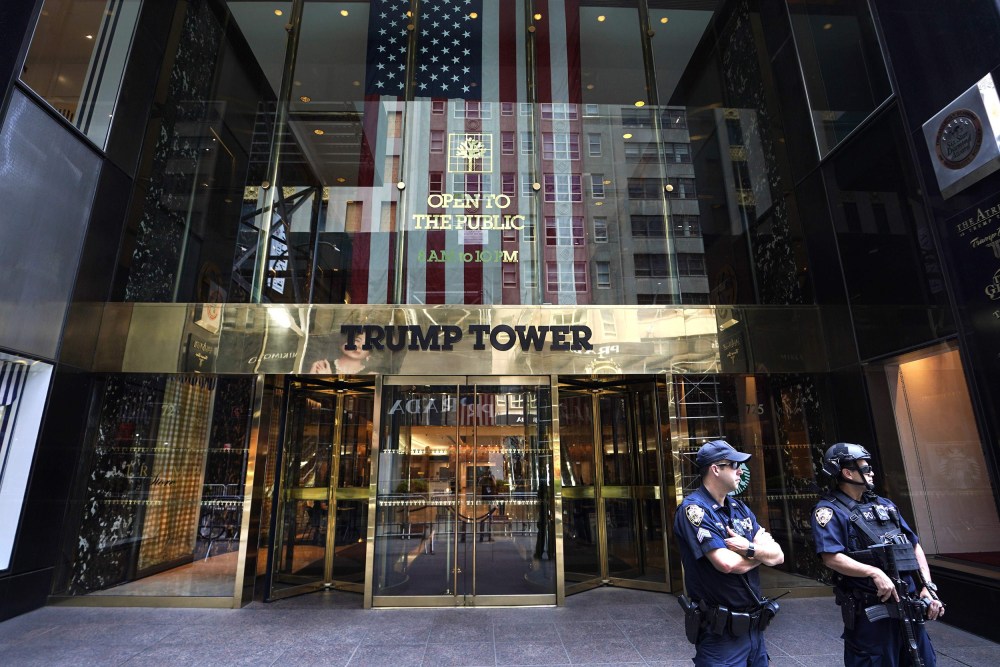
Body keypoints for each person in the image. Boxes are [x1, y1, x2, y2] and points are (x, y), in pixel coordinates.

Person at [812, 443, 944, 666]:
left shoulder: (885, 505)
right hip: (871, 613)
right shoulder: (829, 510)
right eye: (865, 468)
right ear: (847, 472)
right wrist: (873, 572)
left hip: (909, 606)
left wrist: (928, 587)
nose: (871, 472)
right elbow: (831, 556)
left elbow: (913, 546)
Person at [674, 440, 785, 667]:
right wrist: (759, 554)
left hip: (754, 630)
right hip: (720, 634)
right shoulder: (694, 510)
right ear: (716, 469)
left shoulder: (740, 508)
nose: (741, 471)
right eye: (734, 465)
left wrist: (749, 549)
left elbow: (779, 556)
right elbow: (725, 563)